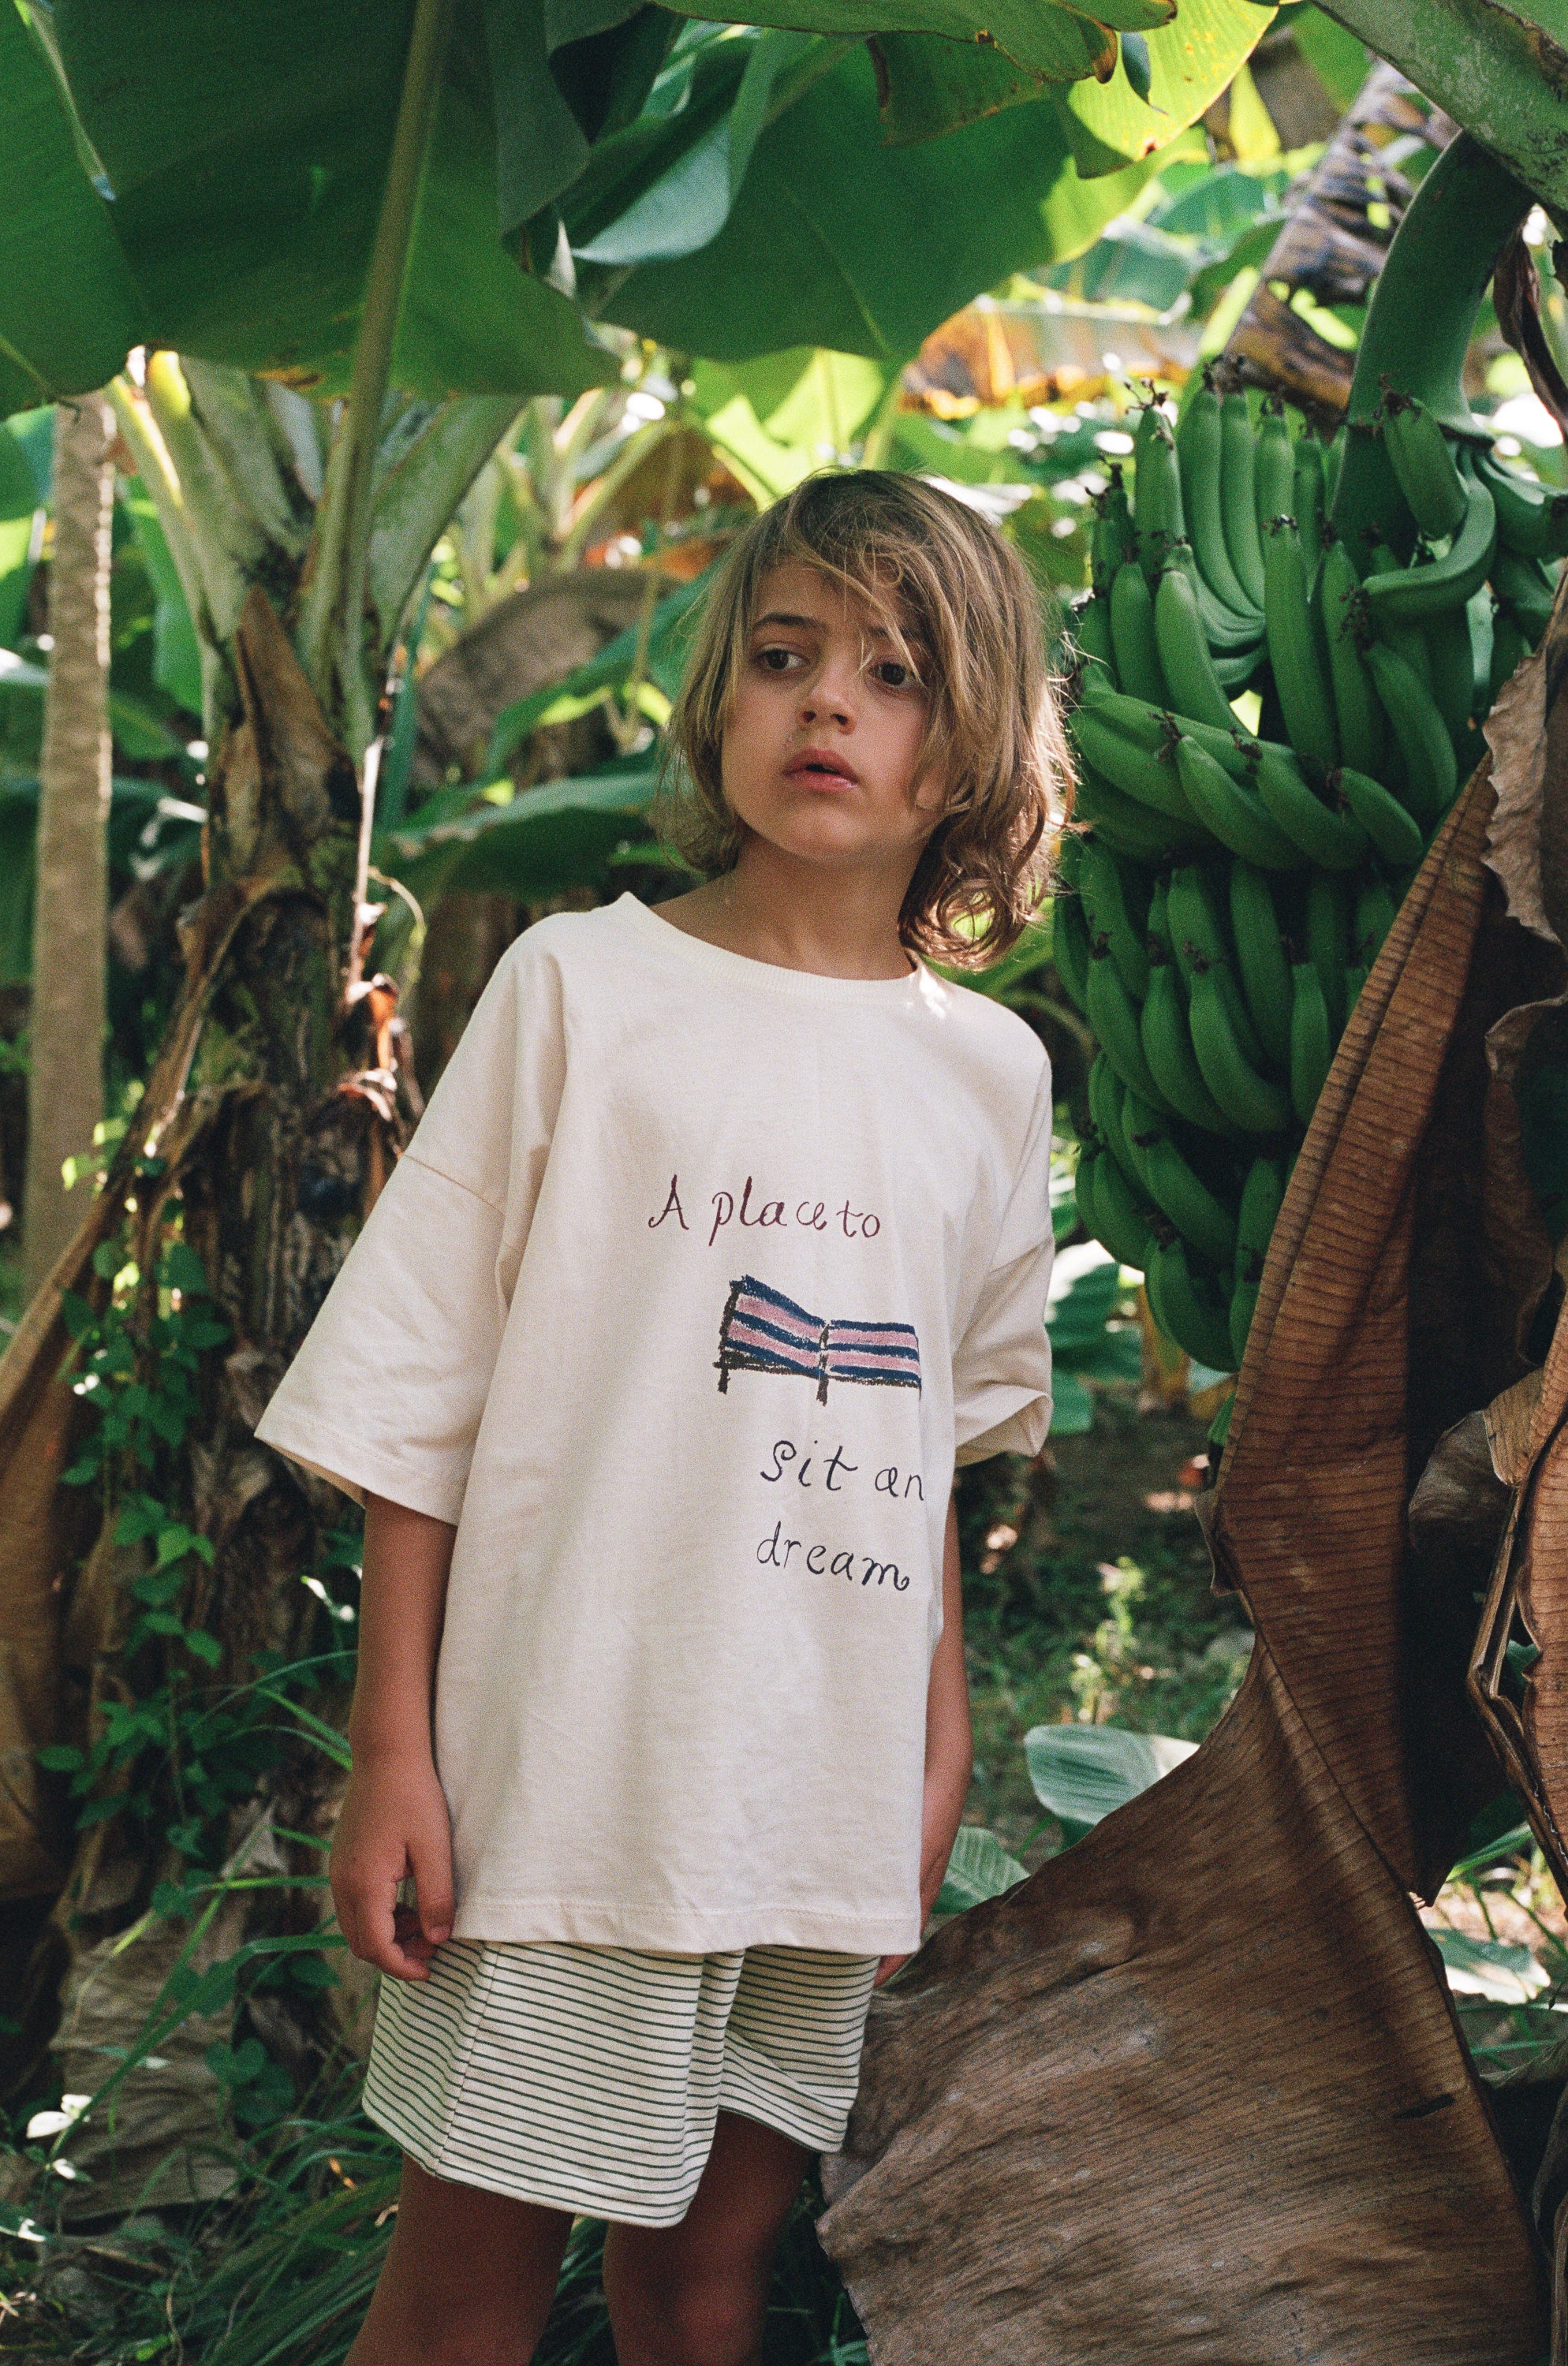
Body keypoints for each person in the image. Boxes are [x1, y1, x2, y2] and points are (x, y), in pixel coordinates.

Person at [255, 468, 1068, 2366]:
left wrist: (932, 1741)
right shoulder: (580, 991)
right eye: (783, 658)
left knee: (707, 2278)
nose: (828, 706)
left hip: (815, 1781)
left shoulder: (992, 1079)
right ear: (715, 704)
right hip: (570, 1772)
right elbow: (418, 1396)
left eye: (892, 669)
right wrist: (395, 1750)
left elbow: (931, 1447)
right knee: (462, 2291)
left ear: (972, 744)